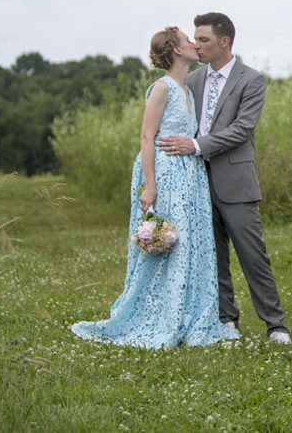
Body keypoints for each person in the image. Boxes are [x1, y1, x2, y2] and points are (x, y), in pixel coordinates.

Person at [71, 27, 238, 348]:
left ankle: (189, 313)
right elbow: (147, 137)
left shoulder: (187, 90)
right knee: (166, 240)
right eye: (189, 41)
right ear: (176, 50)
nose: (194, 44)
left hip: (189, 176)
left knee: (189, 243)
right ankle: (158, 315)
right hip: (163, 173)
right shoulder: (161, 88)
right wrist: (150, 186)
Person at [156, 12, 290, 344]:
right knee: (212, 255)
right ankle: (226, 319)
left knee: (252, 254)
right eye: (195, 39)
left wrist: (196, 145)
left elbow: (242, 130)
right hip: (197, 182)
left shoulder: (252, 80)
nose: (197, 45)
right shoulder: (193, 80)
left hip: (237, 181)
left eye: (203, 40)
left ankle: (276, 325)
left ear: (224, 41)